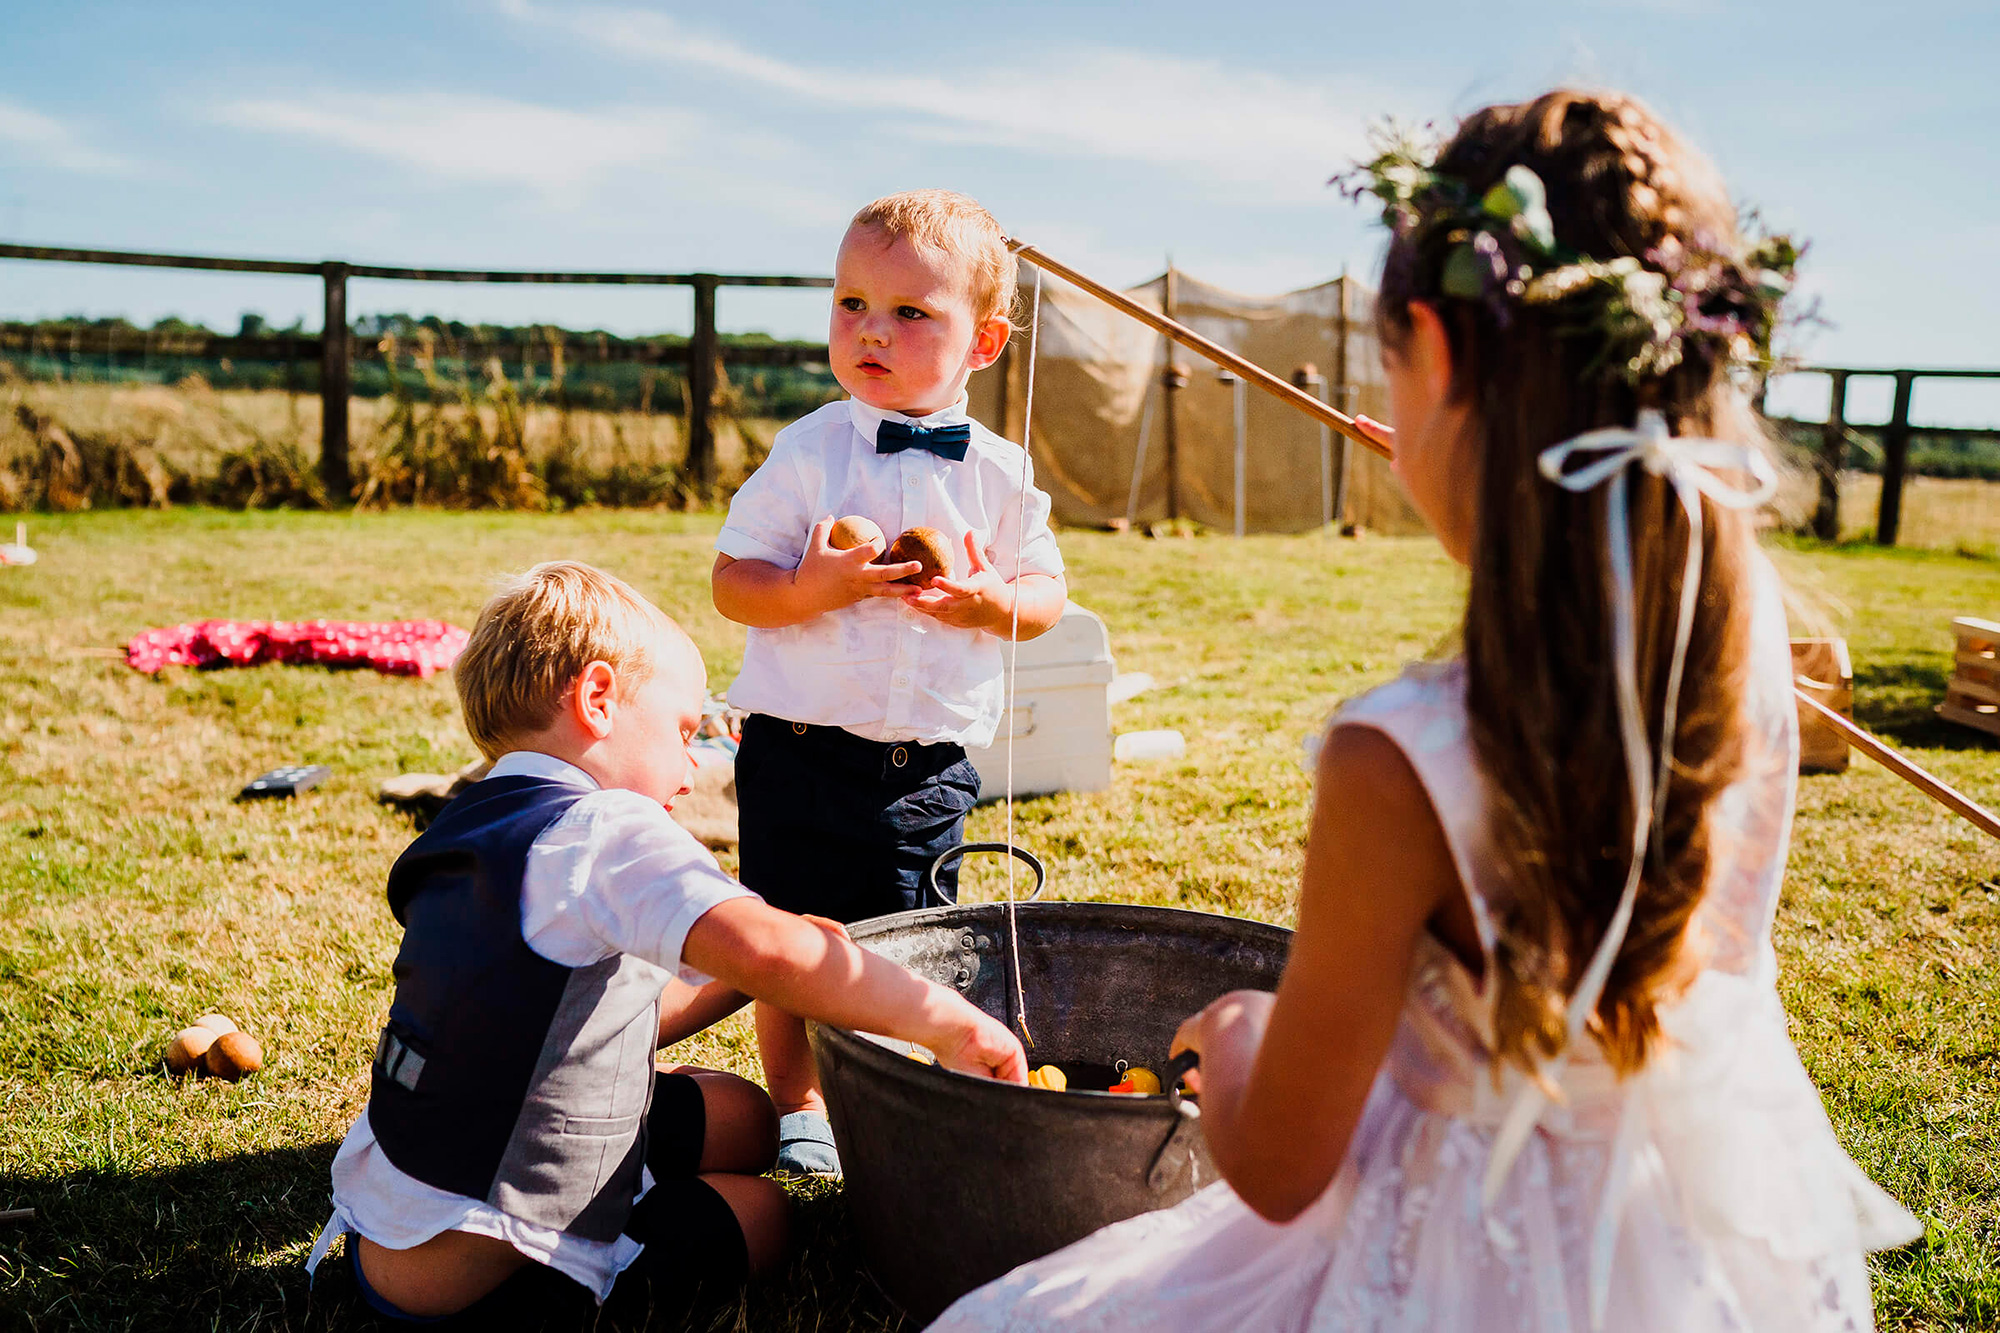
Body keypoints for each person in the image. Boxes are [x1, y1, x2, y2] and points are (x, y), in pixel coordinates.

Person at [930, 89, 1919, 1332]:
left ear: (1436, 358)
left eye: (1392, 369)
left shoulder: (1401, 755)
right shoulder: (1733, 649)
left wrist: (1237, 1040)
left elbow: (1284, 1165)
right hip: (1680, 1251)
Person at [305, 561, 1025, 1327]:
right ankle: (600, 1271)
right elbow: (775, 953)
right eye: (686, 732)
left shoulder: (469, 825)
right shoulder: (606, 828)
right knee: (764, 1213)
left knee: (745, 1116)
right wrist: (952, 1020)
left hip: (382, 1226)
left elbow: (565, 1012)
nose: (692, 767)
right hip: (503, 1273)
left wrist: (744, 979)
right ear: (598, 699)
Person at [712, 189, 1068, 1176]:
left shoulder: (997, 471)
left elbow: (1045, 594)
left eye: (910, 313)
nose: (871, 329)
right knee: (786, 941)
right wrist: (808, 587)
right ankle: (799, 1105)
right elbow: (732, 585)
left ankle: (893, 1096)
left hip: (924, 766)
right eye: (850, 303)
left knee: (902, 941)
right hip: (792, 749)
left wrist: (990, 598)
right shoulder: (808, 451)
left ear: (983, 343)